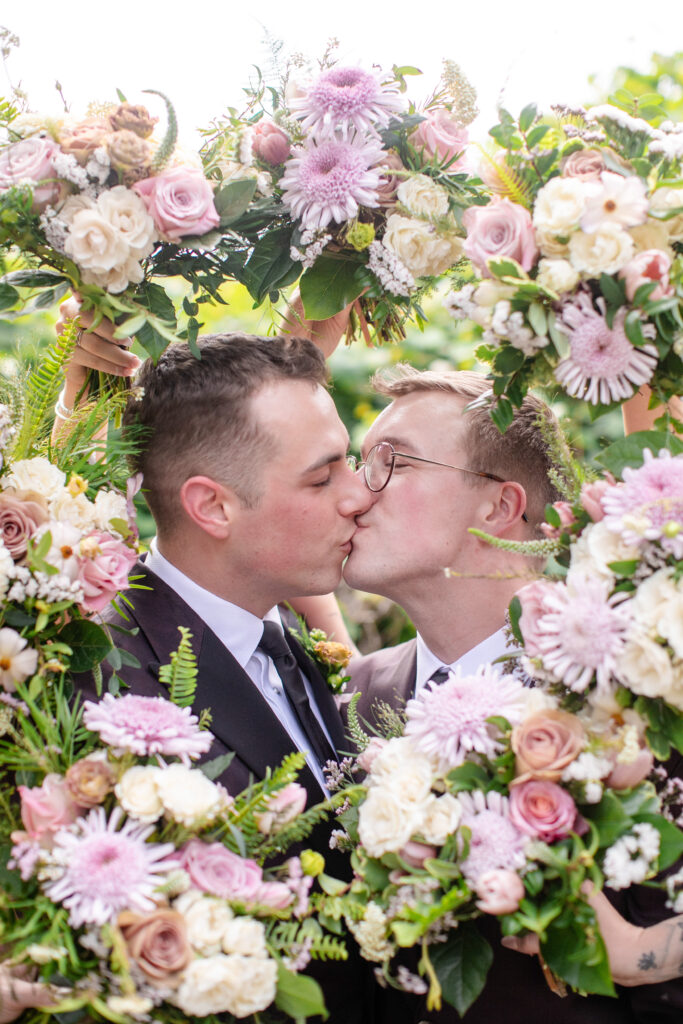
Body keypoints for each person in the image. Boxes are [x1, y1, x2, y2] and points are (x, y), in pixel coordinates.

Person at [342, 364, 683, 1023]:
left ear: (498, 506)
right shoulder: (350, 702)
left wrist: (643, 951)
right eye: (361, 466)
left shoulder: (641, 685)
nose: (355, 495)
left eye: (391, 463)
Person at [59, 315, 373, 1024]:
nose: (357, 495)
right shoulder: (102, 682)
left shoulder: (288, 636)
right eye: (323, 477)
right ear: (211, 506)